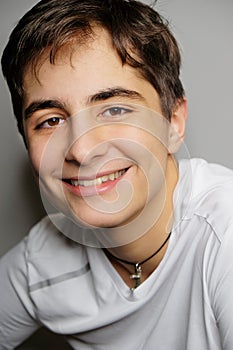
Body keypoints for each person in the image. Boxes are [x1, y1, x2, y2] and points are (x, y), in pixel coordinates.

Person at [1, 0, 233, 349]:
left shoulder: (224, 235)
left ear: (173, 122)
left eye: (114, 109)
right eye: (51, 120)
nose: (81, 150)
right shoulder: (41, 261)